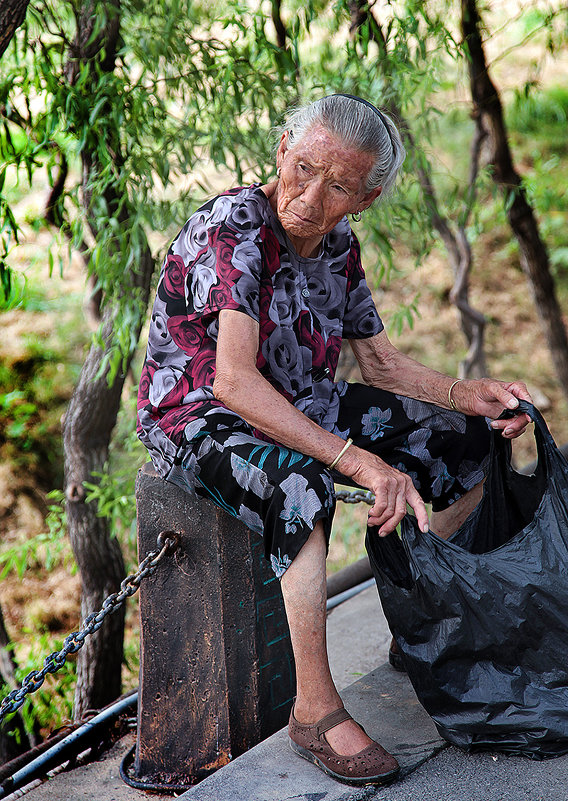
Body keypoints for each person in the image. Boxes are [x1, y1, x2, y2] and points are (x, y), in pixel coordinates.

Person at [137, 94, 531, 787]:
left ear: (367, 196)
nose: (312, 197)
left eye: (339, 185)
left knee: (464, 441)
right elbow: (232, 380)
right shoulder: (238, 225)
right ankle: (314, 709)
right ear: (282, 148)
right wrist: (358, 460)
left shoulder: (339, 246)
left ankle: (430, 627)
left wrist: (467, 394)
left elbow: (381, 364)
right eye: (305, 168)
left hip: (298, 400)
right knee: (301, 484)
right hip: (199, 415)